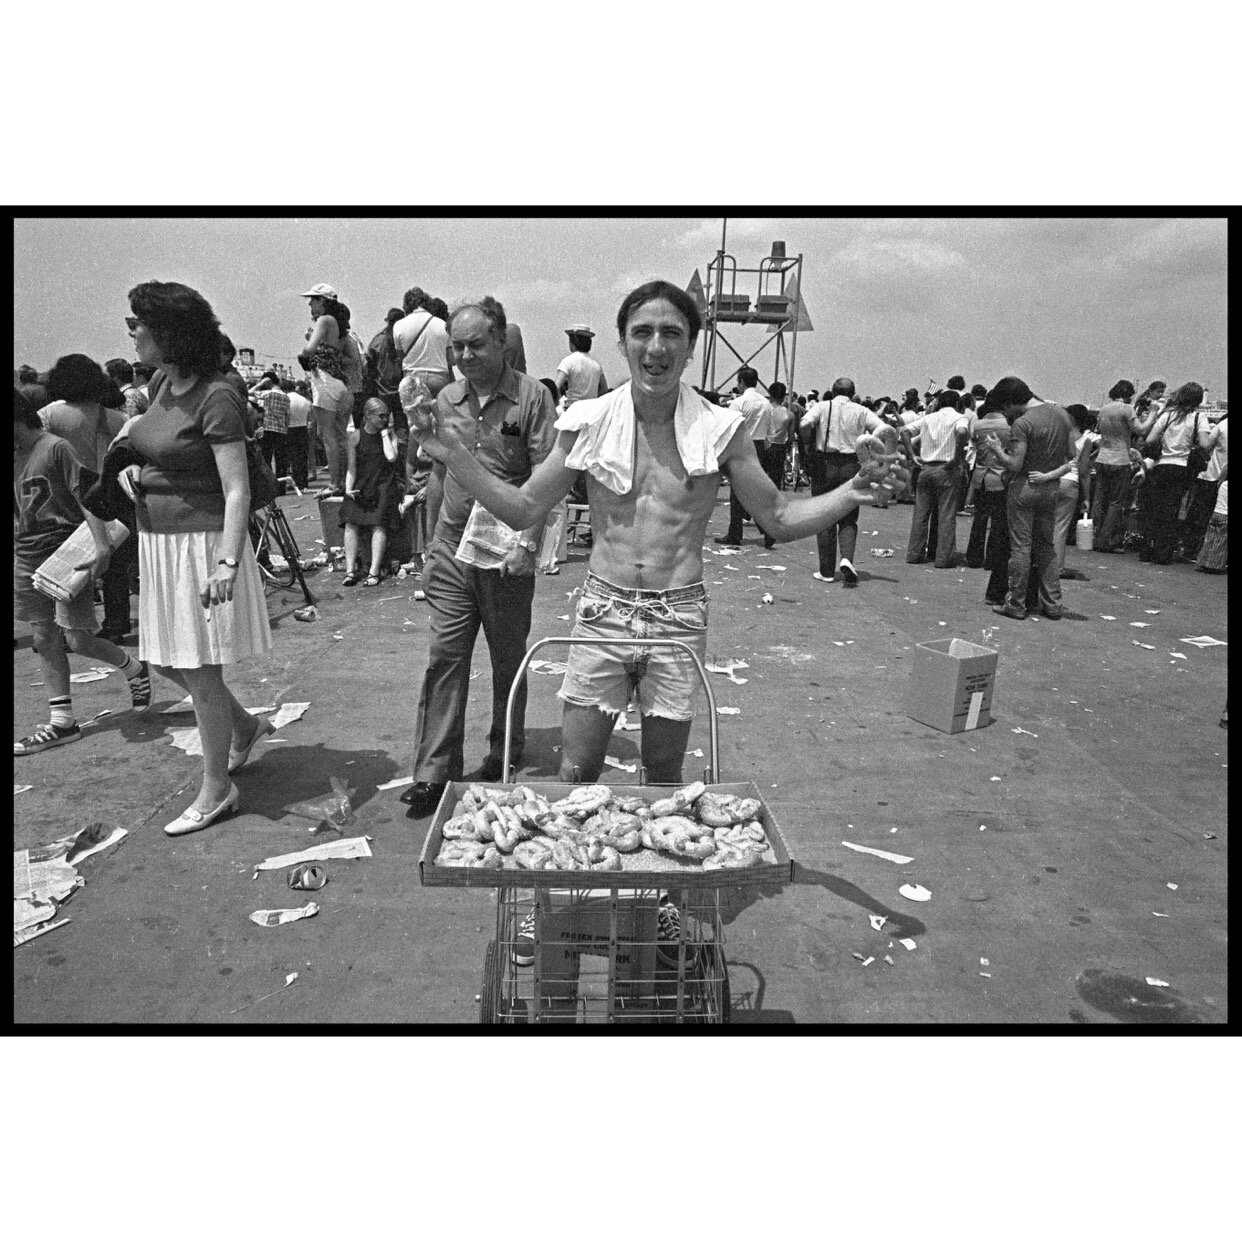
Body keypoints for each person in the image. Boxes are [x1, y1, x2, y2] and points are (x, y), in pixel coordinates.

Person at [415, 279, 905, 789]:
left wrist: (852, 492)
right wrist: (456, 457)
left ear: (691, 347)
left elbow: (778, 516)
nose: (655, 347)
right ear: (622, 342)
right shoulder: (588, 421)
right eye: (641, 332)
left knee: (665, 776)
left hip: (678, 615)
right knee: (576, 771)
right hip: (603, 612)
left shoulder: (721, 428)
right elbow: (523, 508)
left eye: (671, 333)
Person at [119, 281, 274, 835]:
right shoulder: (162, 382)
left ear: (169, 332)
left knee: (199, 667)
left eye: (140, 323)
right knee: (165, 658)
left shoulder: (217, 396)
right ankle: (243, 726)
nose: (132, 331)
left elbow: (237, 491)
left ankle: (216, 788)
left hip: (200, 545)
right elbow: (149, 444)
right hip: (157, 540)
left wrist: (227, 563)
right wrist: (133, 470)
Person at [400, 296, 557, 818]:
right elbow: (439, 475)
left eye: (475, 345)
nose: (464, 356)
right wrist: (427, 547)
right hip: (450, 549)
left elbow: (543, 481)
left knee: (508, 658)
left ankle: (503, 752)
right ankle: (432, 771)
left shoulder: (532, 399)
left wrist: (529, 543)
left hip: (504, 549)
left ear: (500, 340)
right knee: (445, 657)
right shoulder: (444, 400)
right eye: (456, 347)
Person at [13, 390, 153, 754]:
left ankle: (133, 668)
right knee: (44, 638)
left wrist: (102, 547)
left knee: (78, 639)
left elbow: (87, 496)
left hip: (65, 553)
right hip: (26, 556)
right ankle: (63, 722)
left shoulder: (55, 448)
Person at [39, 353, 133, 642]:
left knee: (72, 563)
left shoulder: (50, 415)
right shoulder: (118, 418)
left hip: (67, 499)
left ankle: (71, 628)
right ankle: (116, 625)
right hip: (111, 497)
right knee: (115, 566)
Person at [983, 377, 1076, 620]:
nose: (1006, 413)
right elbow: (1071, 454)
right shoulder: (1062, 415)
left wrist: (996, 450)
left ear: (1012, 402)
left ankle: (1016, 603)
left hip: (1023, 489)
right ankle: (1053, 604)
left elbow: (1015, 463)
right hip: (1050, 487)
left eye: (1006, 408)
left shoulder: (1023, 423)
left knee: (1021, 548)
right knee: (1046, 547)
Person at [799, 377, 889, 582]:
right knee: (848, 517)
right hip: (852, 465)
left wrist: (807, 444)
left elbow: (805, 424)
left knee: (824, 516)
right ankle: (847, 559)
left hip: (825, 464)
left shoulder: (822, 406)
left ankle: (827, 571)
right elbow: (883, 430)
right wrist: (868, 450)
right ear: (853, 392)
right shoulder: (861, 410)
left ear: (832, 390)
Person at [1140, 382, 1212, 564]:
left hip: (1162, 465)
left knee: (1156, 507)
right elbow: (1204, 444)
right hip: (1182, 467)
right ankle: (1163, 553)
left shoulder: (1168, 415)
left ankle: (1147, 548)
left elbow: (1149, 439)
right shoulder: (1199, 417)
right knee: (1172, 510)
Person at [900, 389, 970, 567]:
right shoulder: (959, 418)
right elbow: (962, 433)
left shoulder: (928, 417)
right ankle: (943, 558)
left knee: (921, 515)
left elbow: (904, 431)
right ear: (957, 403)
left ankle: (914, 554)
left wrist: (912, 455)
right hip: (947, 469)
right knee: (946, 515)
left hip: (926, 468)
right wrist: (955, 457)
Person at [297, 282, 353, 493]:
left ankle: (334, 484)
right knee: (338, 436)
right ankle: (345, 481)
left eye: (313, 300)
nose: (310, 304)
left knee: (326, 434)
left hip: (324, 380)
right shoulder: (337, 324)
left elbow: (308, 351)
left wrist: (307, 345)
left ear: (323, 301)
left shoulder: (324, 320)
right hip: (338, 382)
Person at [340, 398, 401, 586]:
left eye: (386, 415)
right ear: (368, 415)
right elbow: (352, 468)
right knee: (350, 523)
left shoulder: (391, 436)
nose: (385, 419)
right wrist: (348, 488)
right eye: (381, 416)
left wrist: (384, 434)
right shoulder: (356, 437)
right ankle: (350, 570)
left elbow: (391, 457)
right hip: (363, 484)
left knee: (379, 523)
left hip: (383, 485)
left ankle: (373, 572)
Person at [716, 367, 774, 547]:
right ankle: (767, 528)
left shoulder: (738, 403)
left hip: (741, 446)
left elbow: (729, 429)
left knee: (737, 493)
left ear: (741, 382)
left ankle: (735, 534)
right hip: (759, 446)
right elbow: (770, 434)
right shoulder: (766, 404)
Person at [965, 396, 1012, 572]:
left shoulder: (978, 425)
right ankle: (993, 559)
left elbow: (975, 445)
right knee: (998, 522)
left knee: (979, 518)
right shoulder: (1009, 426)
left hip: (980, 475)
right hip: (1001, 476)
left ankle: (974, 557)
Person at [1092, 380, 1139, 552]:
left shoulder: (1104, 408)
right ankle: (1105, 541)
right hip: (1120, 459)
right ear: (1128, 394)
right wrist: (1153, 414)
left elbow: (1099, 429)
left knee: (1099, 499)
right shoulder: (1127, 409)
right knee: (1115, 502)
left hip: (1103, 457)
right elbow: (1140, 430)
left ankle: (1095, 536)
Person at [1183, 409, 1227, 561]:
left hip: (1210, 476)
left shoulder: (1222, 425)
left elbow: (1206, 446)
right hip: (1223, 480)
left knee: (1200, 516)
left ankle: (1191, 550)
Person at [394, 286, 453, 397]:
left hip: (412, 378)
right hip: (439, 378)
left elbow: (401, 356)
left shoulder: (398, 325)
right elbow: (451, 359)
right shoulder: (442, 325)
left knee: (414, 413)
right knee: (440, 413)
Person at [248, 371, 293, 490]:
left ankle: (269, 486)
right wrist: (285, 428)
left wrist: (260, 383)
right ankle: (281, 487)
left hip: (268, 429)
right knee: (281, 461)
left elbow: (249, 392)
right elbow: (287, 416)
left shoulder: (267, 394)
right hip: (282, 431)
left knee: (266, 459)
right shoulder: (286, 397)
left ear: (269, 382)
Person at [556, 324, 609, 406]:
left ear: (573, 342)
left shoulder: (568, 361)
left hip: (572, 408)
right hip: (592, 409)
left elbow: (557, 386)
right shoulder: (596, 363)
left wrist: (562, 403)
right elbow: (604, 388)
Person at [765, 381, 794, 491]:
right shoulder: (789, 414)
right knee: (775, 479)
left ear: (770, 394)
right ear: (783, 396)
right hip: (779, 448)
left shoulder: (765, 410)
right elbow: (790, 438)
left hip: (763, 445)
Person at [285, 379, 312, 491]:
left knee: (293, 456)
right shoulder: (305, 400)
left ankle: (296, 481)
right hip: (303, 428)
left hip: (290, 428)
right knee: (302, 456)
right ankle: (304, 481)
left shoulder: (286, 399)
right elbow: (309, 417)